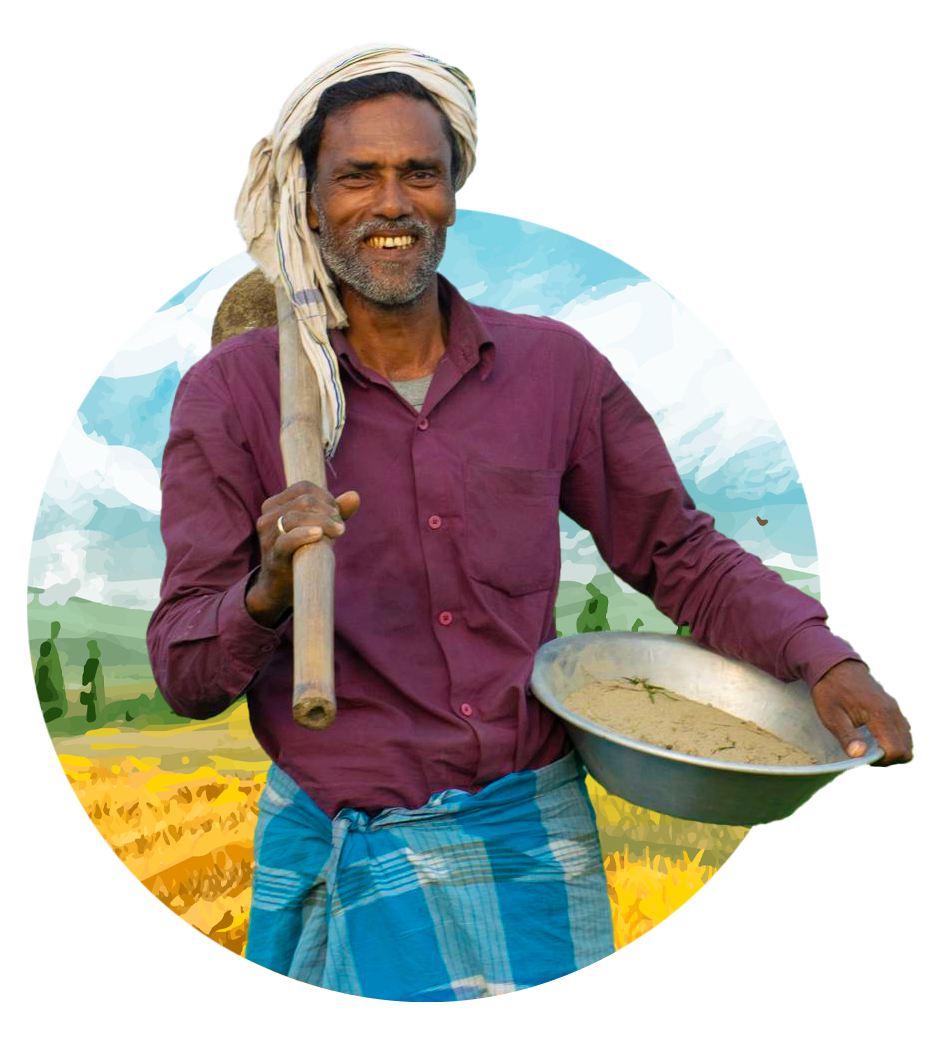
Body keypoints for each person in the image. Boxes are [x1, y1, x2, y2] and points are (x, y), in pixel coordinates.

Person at [147, 41, 914, 1002]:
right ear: (308, 202)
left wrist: (824, 657)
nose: (392, 203)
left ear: (454, 192)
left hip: (533, 829)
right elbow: (183, 670)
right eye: (358, 177)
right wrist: (265, 588)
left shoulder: (555, 370)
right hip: (358, 846)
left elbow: (677, 552)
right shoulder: (234, 398)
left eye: (420, 174)